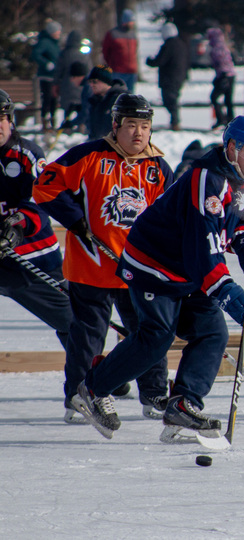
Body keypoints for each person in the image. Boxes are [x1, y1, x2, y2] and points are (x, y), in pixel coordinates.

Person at [70, 116, 244, 440]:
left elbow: (233, 225)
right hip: (153, 265)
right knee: (157, 336)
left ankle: (182, 407)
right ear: (232, 147)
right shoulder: (206, 180)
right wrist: (228, 292)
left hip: (189, 271)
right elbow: (201, 249)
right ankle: (90, 390)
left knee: (212, 333)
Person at [33, 94, 174, 424]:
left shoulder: (158, 167)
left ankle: (154, 393)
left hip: (138, 269)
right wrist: (75, 220)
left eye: (145, 126)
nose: (138, 134)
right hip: (91, 266)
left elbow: (172, 215)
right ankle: (78, 396)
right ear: (115, 126)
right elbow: (44, 186)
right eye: (131, 126)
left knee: (149, 332)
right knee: (87, 336)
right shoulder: (89, 155)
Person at [0, 89, 73, 396]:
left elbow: (41, 199)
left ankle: (91, 380)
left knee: (71, 320)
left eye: (2, 118)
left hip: (33, 256)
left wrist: (15, 227)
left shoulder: (27, 154)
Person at [146, 22, 188, 131]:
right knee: (173, 98)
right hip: (179, 77)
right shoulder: (181, 44)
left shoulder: (168, 45)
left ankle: (175, 122)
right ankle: (174, 121)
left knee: (169, 100)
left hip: (169, 78)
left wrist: (150, 61)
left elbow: (160, 60)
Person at [30, 20, 62, 131]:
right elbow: (36, 54)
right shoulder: (44, 42)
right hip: (46, 75)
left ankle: (53, 121)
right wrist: (46, 63)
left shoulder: (55, 43)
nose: (59, 33)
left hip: (55, 76)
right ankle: (44, 121)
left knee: (54, 98)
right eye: (57, 31)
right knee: (47, 98)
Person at [54, 30, 89, 131]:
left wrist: (56, 83)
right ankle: (81, 126)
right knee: (80, 106)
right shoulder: (83, 53)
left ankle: (67, 125)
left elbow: (58, 70)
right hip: (80, 87)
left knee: (68, 109)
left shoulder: (64, 53)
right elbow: (88, 68)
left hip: (66, 86)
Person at [85, 65, 127, 141]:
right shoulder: (94, 100)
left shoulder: (121, 100)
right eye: (90, 82)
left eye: (95, 82)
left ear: (106, 82)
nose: (91, 85)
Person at [102, 8, 138, 93]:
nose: (132, 24)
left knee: (130, 96)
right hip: (118, 71)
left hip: (131, 71)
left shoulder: (133, 34)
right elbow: (106, 51)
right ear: (124, 22)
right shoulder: (113, 34)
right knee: (117, 94)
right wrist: (112, 64)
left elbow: (135, 50)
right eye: (130, 21)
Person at [207, 27, 236, 129]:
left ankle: (221, 119)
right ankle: (230, 119)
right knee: (228, 99)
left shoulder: (217, 48)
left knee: (214, 97)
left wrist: (221, 76)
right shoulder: (223, 46)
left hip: (224, 76)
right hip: (231, 75)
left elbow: (222, 64)